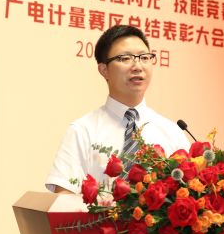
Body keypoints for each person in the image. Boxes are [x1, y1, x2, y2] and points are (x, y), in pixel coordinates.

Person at [45, 25, 191, 194]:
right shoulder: (82, 131)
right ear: (104, 70)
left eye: (144, 57)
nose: (137, 66)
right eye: (125, 58)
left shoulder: (172, 132)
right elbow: (64, 198)